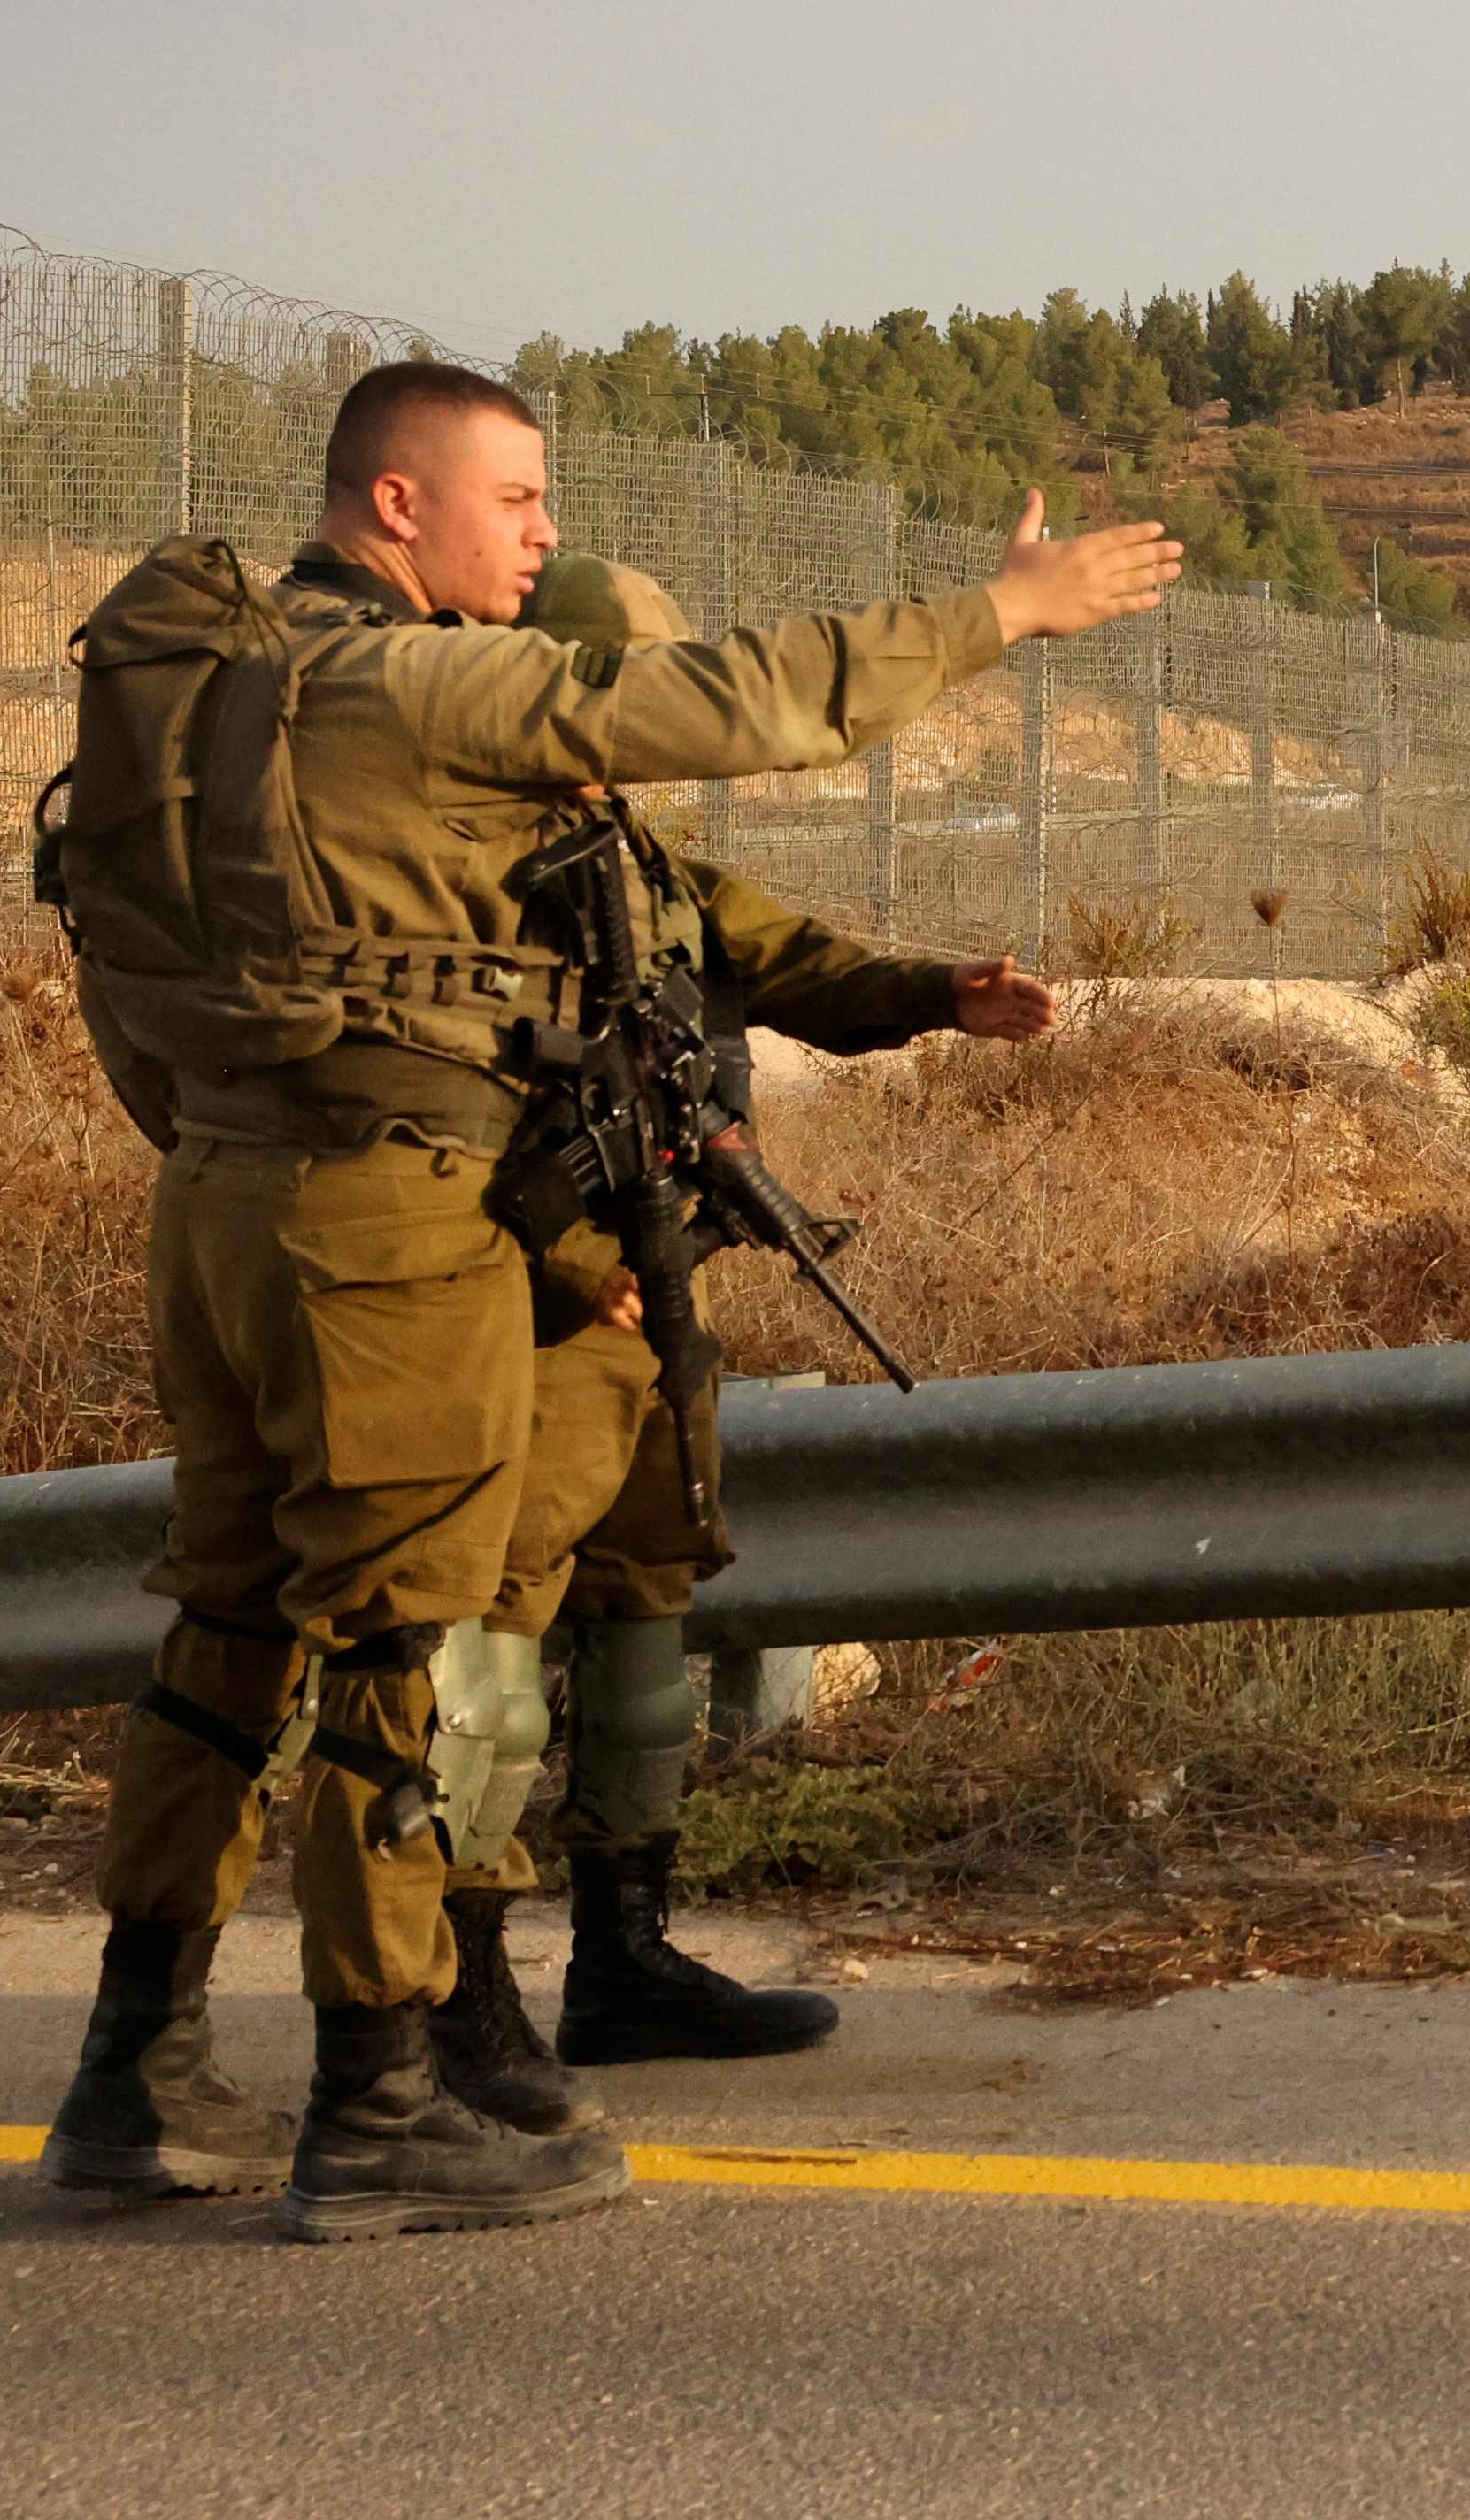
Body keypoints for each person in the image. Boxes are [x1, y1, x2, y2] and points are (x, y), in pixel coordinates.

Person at [34, 363, 1175, 2238]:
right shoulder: (403, 685)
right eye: (521, 500)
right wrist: (1002, 614)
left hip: (235, 1199)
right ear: (397, 504)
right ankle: (381, 2102)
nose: (545, 534)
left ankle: (130, 2072)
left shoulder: (229, 699)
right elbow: (723, 703)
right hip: (389, 1224)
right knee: (406, 1650)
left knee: (230, 1635)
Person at [427, 554, 1058, 2135]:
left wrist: (940, 994)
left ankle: (622, 1960)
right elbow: (421, 1101)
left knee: (646, 1596)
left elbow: (778, 959)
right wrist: (573, 1266)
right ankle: (458, 1982)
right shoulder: (446, 858)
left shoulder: (632, 852)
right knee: (493, 1642)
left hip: (654, 1279)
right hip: (518, 1303)